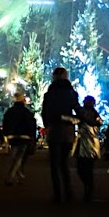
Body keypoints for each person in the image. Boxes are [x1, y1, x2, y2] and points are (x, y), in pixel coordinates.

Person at [41, 66, 80, 203]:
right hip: (68, 131)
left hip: (54, 130)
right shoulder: (71, 93)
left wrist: (47, 125)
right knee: (64, 163)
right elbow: (76, 108)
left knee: (54, 164)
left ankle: (57, 194)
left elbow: (44, 112)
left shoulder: (49, 94)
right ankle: (68, 192)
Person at [2, 92, 38, 186]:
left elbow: (5, 123)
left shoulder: (10, 111)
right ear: (23, 100)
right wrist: (32, 136)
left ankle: (17, 176)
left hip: (12, 137)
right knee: (19, 158)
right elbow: (31, 125)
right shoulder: (26, 112)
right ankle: (11, 177)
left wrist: (5, 135)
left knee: (13, 157)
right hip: (24, 137)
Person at [74, 95, 102, 202]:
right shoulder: (93, 115)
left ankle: (88, 190)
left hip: (88, 145)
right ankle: (88, 190)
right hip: (89, 145)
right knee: (85, 169)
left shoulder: (88, 115)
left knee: (84, 169)